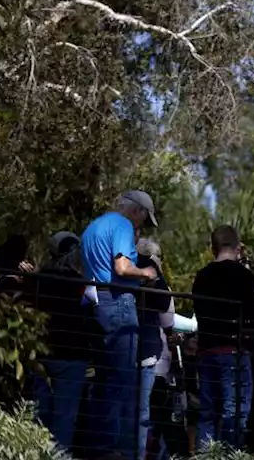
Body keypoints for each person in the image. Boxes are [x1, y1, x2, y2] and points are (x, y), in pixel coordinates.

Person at [82, 189, 160, 458]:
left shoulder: (94, 227)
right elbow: (122, 267)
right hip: (118, 303)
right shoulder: (123, 225)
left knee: (103, 379)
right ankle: (114, 451)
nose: (141, 225)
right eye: (143, 219)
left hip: (95, 304)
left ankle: (96, 446)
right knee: (123, 381)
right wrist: (146, 273)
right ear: (136, 211)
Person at [192, 225, 254, 448]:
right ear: (237, 247)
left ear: (213, 248)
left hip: (207, 349)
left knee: (207, 413)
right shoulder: (245, 276)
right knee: (235, 411)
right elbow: (253, 313)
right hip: (234, 350)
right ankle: (232, 453)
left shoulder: (202, 276)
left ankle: (205, 454)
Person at [30, 231, 91, 452]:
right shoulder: (82, 284)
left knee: (40, 411)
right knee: (65, 416)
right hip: (72, 355)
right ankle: (59, 456)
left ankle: (34, 452)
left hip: (42, 352)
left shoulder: (38, 280)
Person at [135, 238, 175, 460]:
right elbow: (167, 321)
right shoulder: (155, 282)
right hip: (150, 359)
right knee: (144, 414)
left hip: (136, 355)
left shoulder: (127, 276)